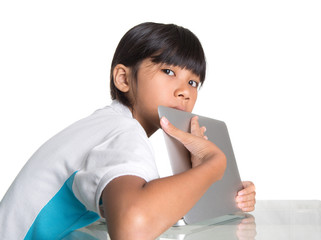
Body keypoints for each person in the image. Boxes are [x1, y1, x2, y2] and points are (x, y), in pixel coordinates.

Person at [0, 22, 256, 240]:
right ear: (123, 78)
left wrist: (217, 192)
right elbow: (133, 227)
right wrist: (213, 165)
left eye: (193, 82)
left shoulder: (108, 124)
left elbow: (144, 210)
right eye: (168, 71)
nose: (185, 91)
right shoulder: (122, 132)